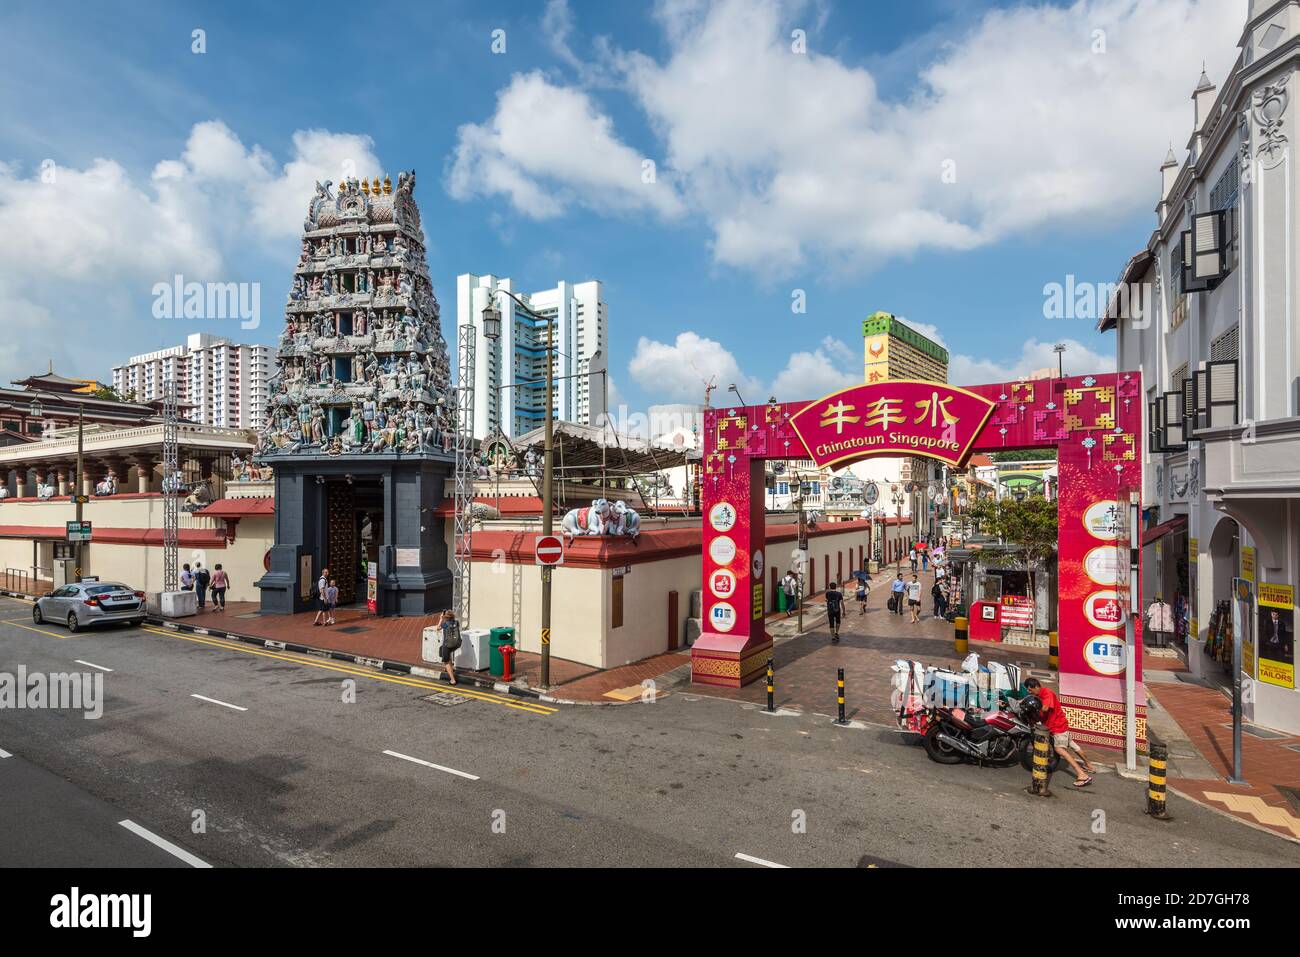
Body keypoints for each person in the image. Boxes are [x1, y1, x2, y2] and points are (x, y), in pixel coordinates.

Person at [1023, 678, 1095, 786]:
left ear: (1037, 686)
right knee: (1073, 746)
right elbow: (1028, 700)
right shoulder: (1037, 696)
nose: (1029, 692)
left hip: (1058, 726)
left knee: (1059, 749)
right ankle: (1089, 765)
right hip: (1059, 725)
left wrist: (1033, 706)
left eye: (1030, 690)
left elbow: (1046, 708)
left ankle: (1082, 774)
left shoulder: (1047, 693)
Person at [438, 609, 461, 685]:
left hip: (447, 644)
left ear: (445, 617)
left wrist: (441, 619)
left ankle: (452, 680)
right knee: (444, 651)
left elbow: (438, 628)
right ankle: (450, 668)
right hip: (456, 644)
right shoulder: (456, 623)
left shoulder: (445, 624)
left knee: (446, 661)